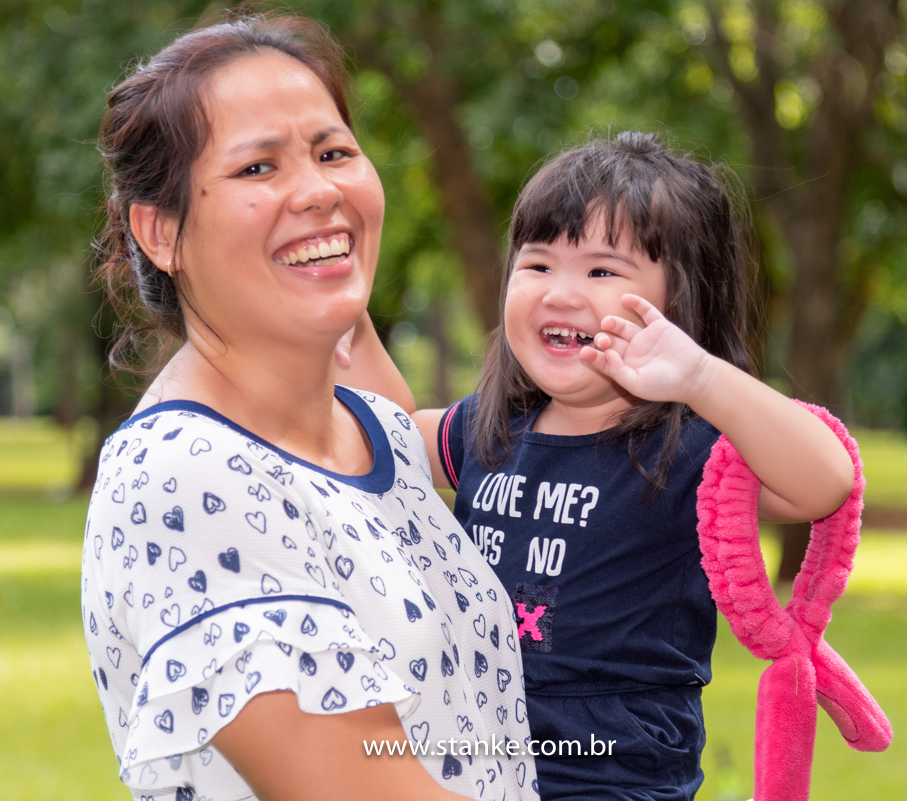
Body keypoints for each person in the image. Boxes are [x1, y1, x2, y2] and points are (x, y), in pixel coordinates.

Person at [81, 14, 539, 801]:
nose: (320, 191)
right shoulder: (186, 478)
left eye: (333, 153)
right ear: (161, 232)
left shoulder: (382, 435)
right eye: (258, 168)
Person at [350, 133, 856, 800]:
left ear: (680, 306)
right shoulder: (487, 429)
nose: (561, 292)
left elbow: (826, 481)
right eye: (537, 265)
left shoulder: (689, 447)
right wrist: (341, 317)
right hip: (473, 757)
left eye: (602, 271)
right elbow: (370, 432)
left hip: (613, 775)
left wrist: (701, 377)